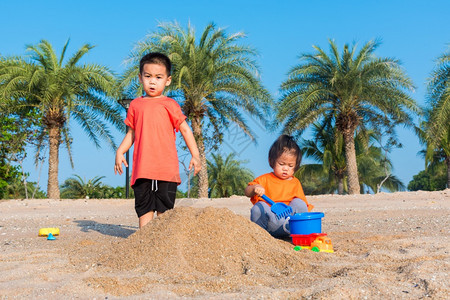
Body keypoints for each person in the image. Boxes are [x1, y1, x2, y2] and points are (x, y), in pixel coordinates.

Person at [114, 52, 201, 229]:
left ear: (167, 80)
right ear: (140, 78)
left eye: (158, 77)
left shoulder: (170, 105)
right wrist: (120, 151)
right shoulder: (136, 105)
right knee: (144, 207)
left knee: (165, 208)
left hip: (166, 169)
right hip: (142, 168)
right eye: (148, 76)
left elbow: (185, 129)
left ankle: (162, 244)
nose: (152, 81)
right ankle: (144, 243)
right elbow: (131, 133)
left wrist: (195, 155)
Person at [244, 135, 313, 237]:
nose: (285, 168)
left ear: (296, 166)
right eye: (281, 164)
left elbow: (302, 207)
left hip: (290, 223)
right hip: (269, 222)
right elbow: (247, 191)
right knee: (259, 208)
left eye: (290, 166)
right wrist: (255, 188)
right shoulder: (264, 179)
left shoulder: (295, 183)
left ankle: (300, 234)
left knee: (299, 203)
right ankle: (259, 236)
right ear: (271, 161)